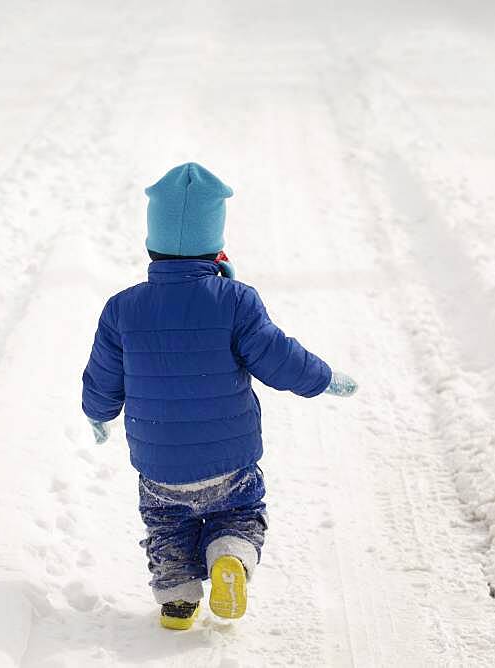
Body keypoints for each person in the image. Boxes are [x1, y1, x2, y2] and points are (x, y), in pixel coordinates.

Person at [81, 162, 358, 630]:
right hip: (230, 460)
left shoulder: (122, 307)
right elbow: (278, 357)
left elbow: (104, 376)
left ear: (152, 243)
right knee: (239, 512)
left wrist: (97, 413)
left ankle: (177, 599)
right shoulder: (235, 299)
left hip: (159, 464)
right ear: (216, 244)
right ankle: (230, 554)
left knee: (167, 524)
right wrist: (323, 377)